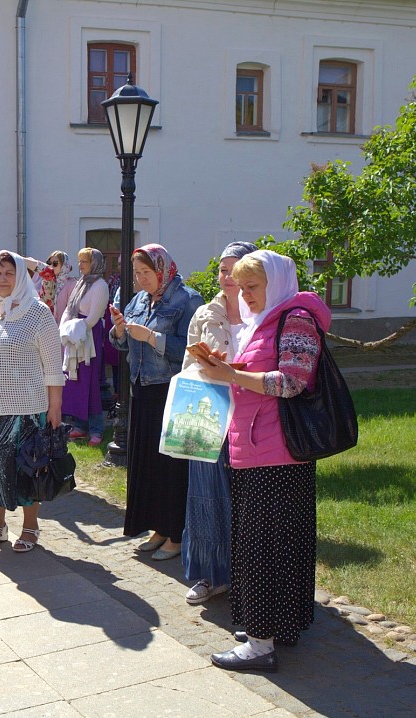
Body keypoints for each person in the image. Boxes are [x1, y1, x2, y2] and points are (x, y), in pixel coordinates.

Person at [193, 250, 329, 673]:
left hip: (275, 454)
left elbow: (291, 381)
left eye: (253, 286)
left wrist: (230, 375)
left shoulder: (296, 318)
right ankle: (276, 625)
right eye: (241, 285)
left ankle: (259, 643)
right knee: (275, 546)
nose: (244, 294)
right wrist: (224, 367)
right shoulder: (268, 319)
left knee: (263, 549)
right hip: (258, 450)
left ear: (276, 282)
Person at [0, 251, 64, 553]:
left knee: (27, 469)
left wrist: (54, 406)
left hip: (27, 407)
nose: (2, 279)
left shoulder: (37, 313)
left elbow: (53, 366)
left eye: (8, 273)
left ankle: (30, 526)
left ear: (20, 276)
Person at [110, 244, 203, 561]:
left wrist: (151, 337)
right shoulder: (138, 299)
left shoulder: (187, 299)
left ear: (163, 269)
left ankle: (176, 534)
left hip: (172, 391)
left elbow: (192, 349)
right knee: (149, 465)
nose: (140, 279)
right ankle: (158, 528)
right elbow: (123, 342)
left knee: (171, 467)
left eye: (146, 273)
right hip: (143, 390)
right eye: (137, 273)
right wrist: (120, 331)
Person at [180, 241, 258, 606]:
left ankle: (247, 576)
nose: (227, 277)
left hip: (252, 418)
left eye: (235, 270)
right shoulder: (204, 314)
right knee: (205, 496)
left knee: (245, 500)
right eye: (223, 270)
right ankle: (209, 574)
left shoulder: (264, 313)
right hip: (209, 412)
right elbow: (187, 367)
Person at [60, 248, 109, 447]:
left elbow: (93, 318)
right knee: (76, 380)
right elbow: (69, 309)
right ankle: (80, 424)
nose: (80, 265)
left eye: (85, 262)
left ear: (94, 263)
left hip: (88, 337)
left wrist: (73, 328)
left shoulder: (100, 285)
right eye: (79, 261)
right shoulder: (81, 283)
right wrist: (63, 328)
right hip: (74, 335)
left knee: (90, 382)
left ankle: (96, 428)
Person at [49, 251, 75, 320]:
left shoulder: (72, 284)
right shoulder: (47, 282)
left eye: (55, 264)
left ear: (63, 265)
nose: (51, 266)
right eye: (49, 263)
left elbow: (72, 310)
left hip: (64, 327)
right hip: (48, 327)